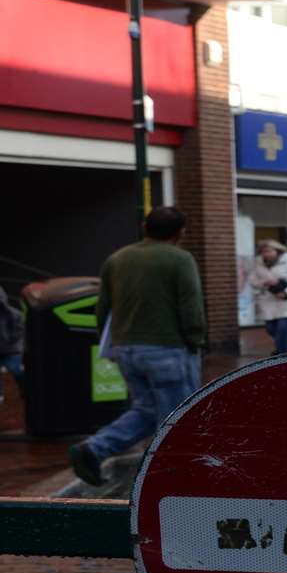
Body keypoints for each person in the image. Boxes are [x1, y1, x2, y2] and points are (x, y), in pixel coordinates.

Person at [66, 206, 204, 487]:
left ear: (145, 227)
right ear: (181, 232)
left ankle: (94, 449)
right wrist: (196, 339)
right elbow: (190, 306)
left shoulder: (117, 259)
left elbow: (103, 307)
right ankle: (174, 480)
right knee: (177, 416)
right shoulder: (179, 259)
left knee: (147, 409)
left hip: (126, 347)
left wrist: (112, 341)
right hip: (167, 347)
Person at [248, 240, 287, 355]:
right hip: (268, 303)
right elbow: (252, 280)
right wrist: (264, 282)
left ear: (277, 250)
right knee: (271, 329)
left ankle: (285, 357)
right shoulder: (258, 263)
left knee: (283, 329)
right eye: (263, 252)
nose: (266, 254)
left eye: (269, 251)